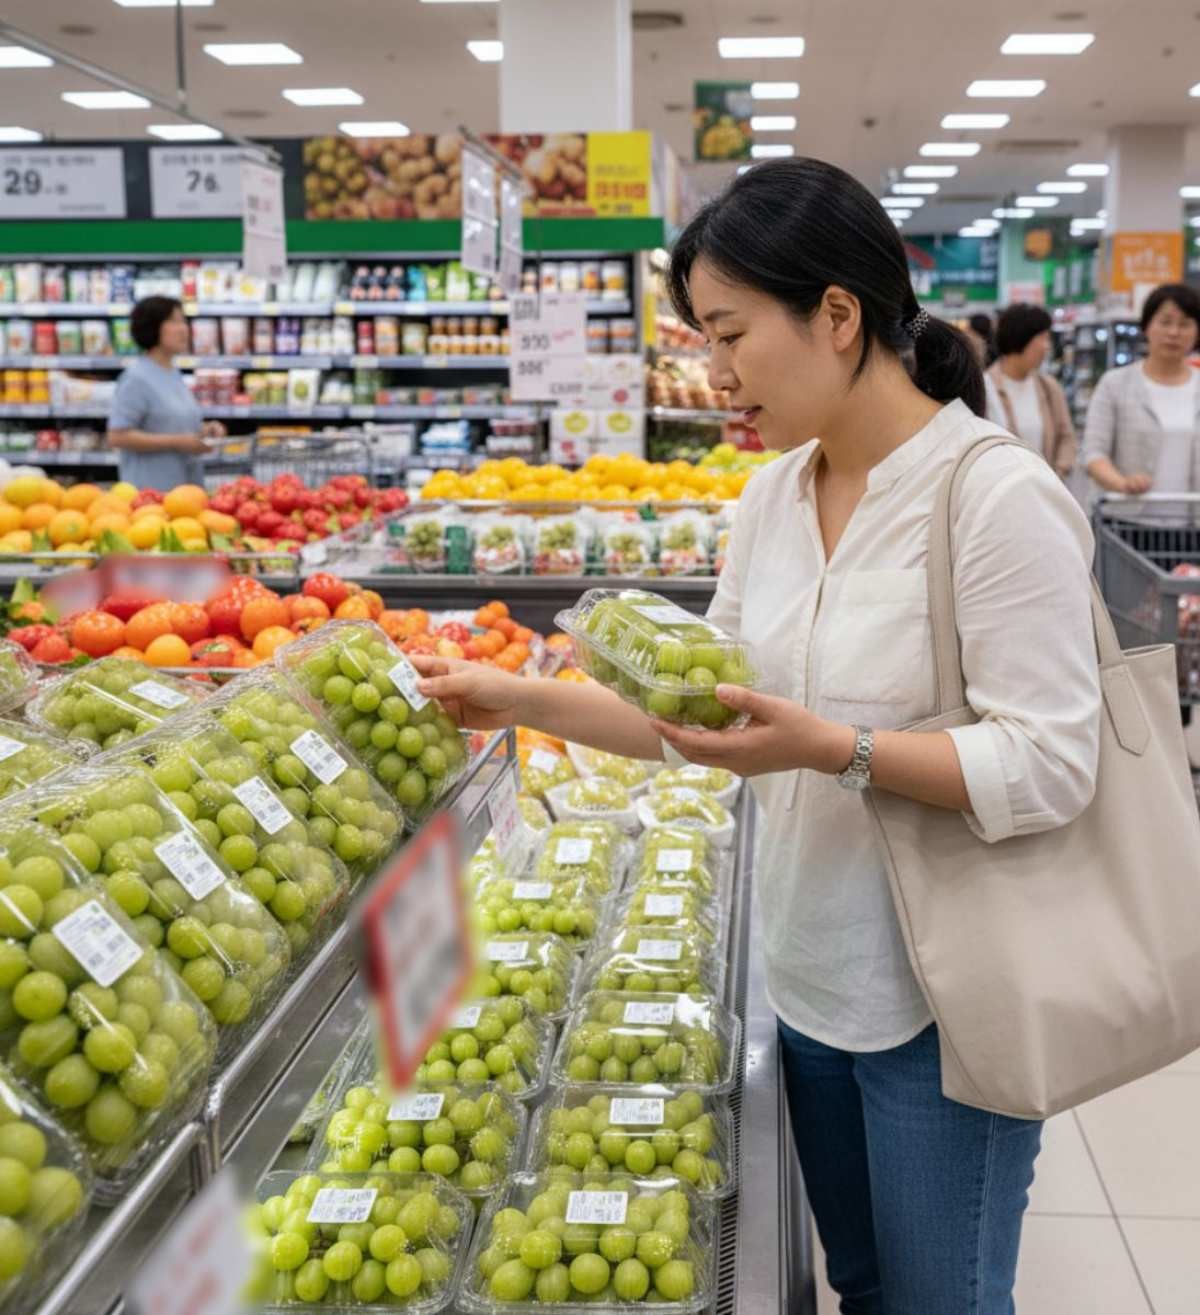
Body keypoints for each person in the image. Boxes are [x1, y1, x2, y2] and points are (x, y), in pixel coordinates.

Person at [412, 158, 1101, 1313]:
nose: (714, 372)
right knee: (867, 1285)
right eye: (701, 337)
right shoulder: (769, 498)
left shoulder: (993, 496)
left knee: (943, 1298)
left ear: (838, 316)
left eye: (729, 335)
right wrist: (514, 696)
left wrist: (838, 748)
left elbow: (1052, 762)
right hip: (805, 974)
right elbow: (702, 721)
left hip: (946, 999)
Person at [1082, 281, 1200, 499]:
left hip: (1191, 522)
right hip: (1126, 521)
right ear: (1146, 326)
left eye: (1185, 324)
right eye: (1165, 322)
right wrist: (1121, 482)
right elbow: (1093, 453)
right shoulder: (1114, 384)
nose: (1174, 332)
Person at [107, 295, 225, 490]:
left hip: (185, 492)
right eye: (173, 321)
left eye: (184, 321)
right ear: (152, 327)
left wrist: (206, 430)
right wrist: (178, 442)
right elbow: (118, 436)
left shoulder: (173, 373)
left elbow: (170, 423)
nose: (183, 329)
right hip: (150, 496)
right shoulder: (136, 378)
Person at [984, 304, 1077, 476]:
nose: (1047, 346)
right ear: (1021, 338)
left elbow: (1066, 437)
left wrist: (1058, 472)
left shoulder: (1048, 387)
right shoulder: (984, 388)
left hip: (1044, 494)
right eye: (1042, 338)